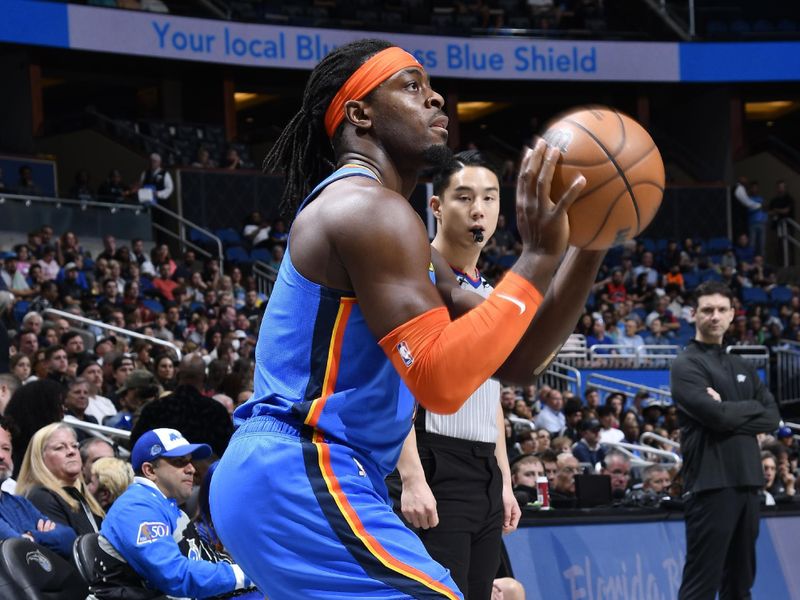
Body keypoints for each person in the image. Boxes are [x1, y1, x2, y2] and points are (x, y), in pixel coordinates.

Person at [210, 39, 600, 600]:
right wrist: (536, 256)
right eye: (412, 86)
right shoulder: (368, 209)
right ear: (359, 114)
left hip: (306, 473)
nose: (436, 97)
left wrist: (587, 247)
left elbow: (518, 354)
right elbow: (440, 382)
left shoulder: (398, 229)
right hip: (302, 467)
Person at [672, 280, 780, 599]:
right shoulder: (686, 365)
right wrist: (747, 410)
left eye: (721, 310)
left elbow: (772, 417)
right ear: (693, 314)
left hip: (748, 483)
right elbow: (716, 418)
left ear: (732, 315)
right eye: (707, 310)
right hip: (710, 486)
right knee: (700, 587)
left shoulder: (742, 365)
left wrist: (728, 408)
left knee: (740, 586)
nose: (714, 316)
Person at [99, 428, 253, 598]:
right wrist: (247, 575)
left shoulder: (164, 504)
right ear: (150, 470)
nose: (192, 469)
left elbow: (204, 561)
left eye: (190, 461)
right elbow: (176, 576)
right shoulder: (136, 508)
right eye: (180, 462)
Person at [0, 416, 76, 559]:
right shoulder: (39, 495)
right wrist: (43, 537)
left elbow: (70, 538)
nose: (1, 456)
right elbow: (17, 548)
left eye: (6, 448)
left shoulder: (20, 504)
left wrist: (33, 537)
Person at [16, 423, 105, 535]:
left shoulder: (80, 494)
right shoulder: (42, 497)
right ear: (40, 458)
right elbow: (69, 548)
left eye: (74, 446)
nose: (71, 452)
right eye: (60, 448)